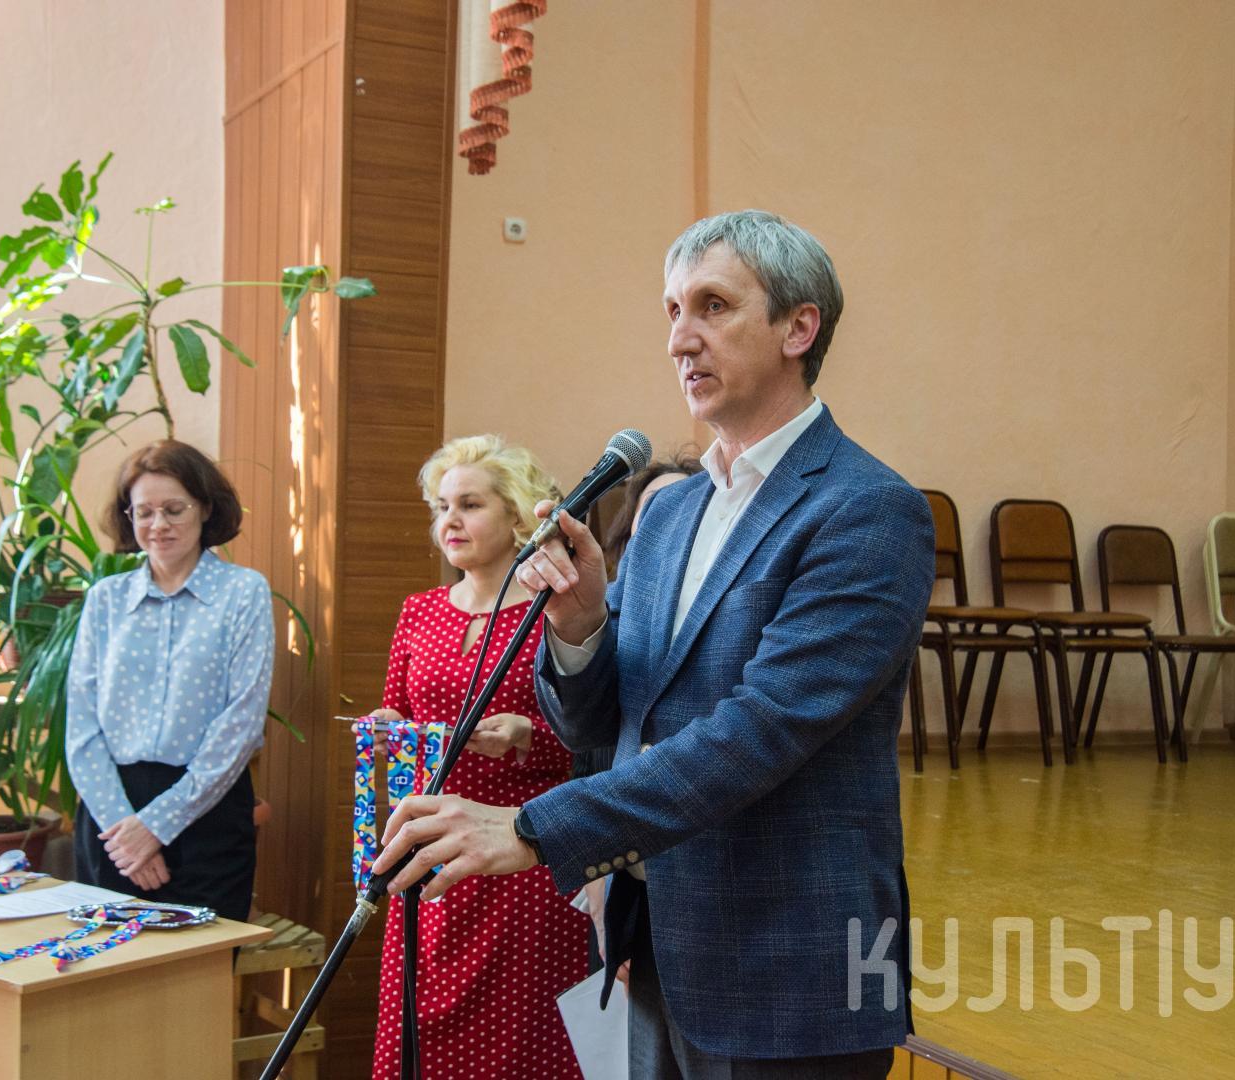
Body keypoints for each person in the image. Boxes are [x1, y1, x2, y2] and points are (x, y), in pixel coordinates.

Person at [373, 211, 935, 1078]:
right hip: (656, 943)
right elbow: (601, 724)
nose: (680, 339)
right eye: (673, 311)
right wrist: (581, 628)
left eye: (713, 306)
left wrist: (533, 829)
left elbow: (761, 731)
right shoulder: (670, 511)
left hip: (790, 963)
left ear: (799, 327)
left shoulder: (865, 509)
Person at [367, 434, 588, 1080]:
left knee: (518, 1045)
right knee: (421, 1036)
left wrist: (528, 736)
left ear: (516, 514)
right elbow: (398, 714)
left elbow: (598, 742)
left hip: (521, 861)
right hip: (428, 856)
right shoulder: (417, 612)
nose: (450, 521)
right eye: (442, 507)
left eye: (469, 504)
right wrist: (387, 730)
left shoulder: (555, 614)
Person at [66, 439, 274, 923]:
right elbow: (81, 726)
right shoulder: (105, 599)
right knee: (104, 965)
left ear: (205, 508)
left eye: (174, 510)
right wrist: (127, 833)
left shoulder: (243, 593)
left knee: (201, 964)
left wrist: (157, 826)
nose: (158, 524)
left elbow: (242, 723)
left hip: (208, 815)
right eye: (144, 512)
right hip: (111, 816)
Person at [576, 453, 701, 975]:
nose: (663, 524)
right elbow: (590, 761)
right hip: (616, 870)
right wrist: (598, 880)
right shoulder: (605, 621)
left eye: (680, 508)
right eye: (650, 515)